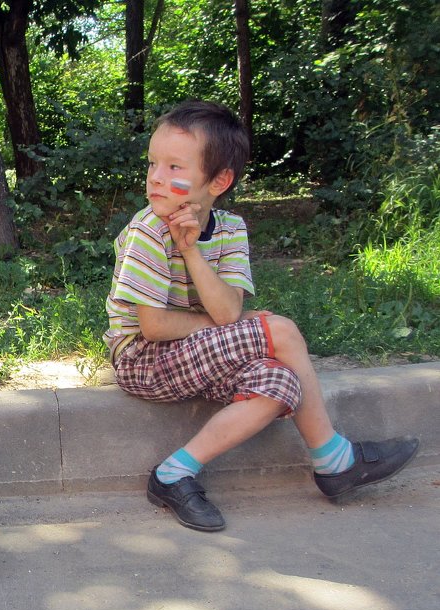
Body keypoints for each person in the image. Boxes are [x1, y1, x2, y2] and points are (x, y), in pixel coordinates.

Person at [104, 100, 419, 532]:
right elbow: (154, 327)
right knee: (280, 331)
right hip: (143, 360)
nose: (157, 177)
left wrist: (191, 249)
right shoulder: (146, 231)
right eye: (153, 163)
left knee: (280, 383)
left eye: (175, 167)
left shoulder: (231, 228)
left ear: (219, 180)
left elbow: (228, 309)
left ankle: (172, 475)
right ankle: (334, 460)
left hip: (195, 354)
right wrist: (238, 323)